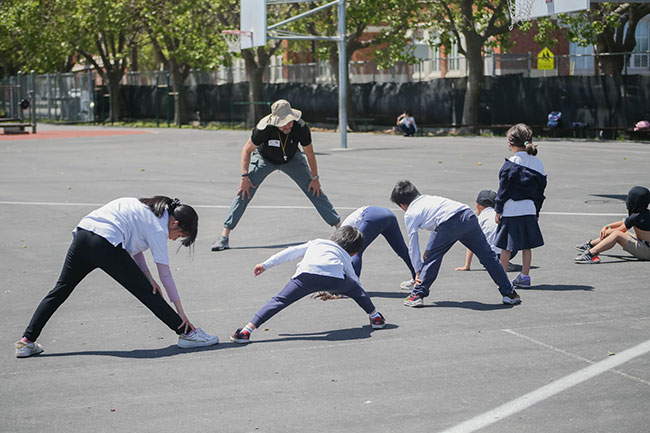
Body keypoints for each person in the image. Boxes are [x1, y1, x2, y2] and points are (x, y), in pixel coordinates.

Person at [15, 196, 219, 358]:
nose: (175, 239)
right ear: (174, 223)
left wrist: (147, 276)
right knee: (148, 293)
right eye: (180, 236)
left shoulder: (146, 208)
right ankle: (188, 334)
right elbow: (165, 273)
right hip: (106, 243)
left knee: (61, 289)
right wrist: (181, 312)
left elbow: (134, 247)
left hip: (84, 234)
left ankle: (26, 342)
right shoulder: (158, 227)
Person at [211, 99, 340, 251]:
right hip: (265, 159)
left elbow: (310, 153)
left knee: (315, 190)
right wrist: (244, 177)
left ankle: (340, 229)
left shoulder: (300, 127)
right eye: (284, 122)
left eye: (289, 121)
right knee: (244, 191)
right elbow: (247, 150)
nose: (288, 125)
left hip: (292, 159)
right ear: (275, 121)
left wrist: (315, 178)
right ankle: (224, 236)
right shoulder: (263, 129)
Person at [230, 226, 386, 344]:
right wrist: (356, 287)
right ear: (353, 253)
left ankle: (246, 331)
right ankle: (376, 317)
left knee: (279, 300)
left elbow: (291, 252)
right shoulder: (345, 255)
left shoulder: (317, 242)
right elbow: (352, 276)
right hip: (334, 279)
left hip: (306, 277)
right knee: (356, 290)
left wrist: (265, 265)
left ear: (332, 236)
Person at [390, 180, 521, 308]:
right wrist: (429, 249)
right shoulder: (428, 199)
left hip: (450, 223)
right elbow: (437, 224)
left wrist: (418, 269)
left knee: (433, 258)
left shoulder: (410, 213)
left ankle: (417, 295)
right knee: (488, 256)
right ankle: (510, 293)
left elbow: (413, 244)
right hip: (467, 215)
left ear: (402, 205)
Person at [494, 124, 547, 288]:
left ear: (510, 143)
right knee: (526, 245)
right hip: (529, 209)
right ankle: (525, 276)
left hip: (511, 210)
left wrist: (498, 210)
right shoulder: (538, 164)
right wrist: (536, 211)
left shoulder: (510, 164)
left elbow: (503, 191)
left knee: (506, 247)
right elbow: (540, 192)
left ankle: (503, 280)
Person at [575, 186, 650, 264]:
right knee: (617, 233)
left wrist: (608, 231)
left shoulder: (637, 216)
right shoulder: (643, 214)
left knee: (617, 235)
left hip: (647, 251)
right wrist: (607, 226)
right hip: (645, 245)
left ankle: (591, 254)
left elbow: (619, 230)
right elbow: (625, 223)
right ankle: (591, 245)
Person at [340, 206, 415, 281]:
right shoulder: (343, 232)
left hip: (372, 216)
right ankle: (419, 280)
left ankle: (353, 286)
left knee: (355, 251)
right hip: (389, 214)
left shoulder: (342, 235)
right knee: (402, 250)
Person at [455, 190, 517, 272]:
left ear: (477, 205)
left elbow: (471, 243)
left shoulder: (478, 219)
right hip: (509, 251)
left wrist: (467, 266)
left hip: (489, 254)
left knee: (477, 241)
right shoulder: (501, 215)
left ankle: (495, 264)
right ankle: (504, 262)